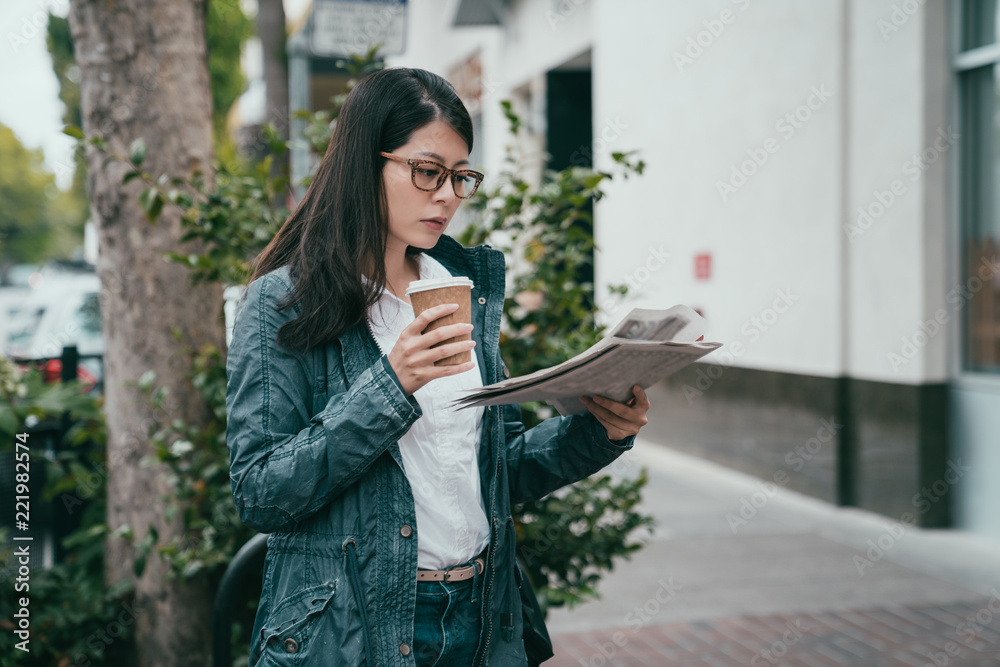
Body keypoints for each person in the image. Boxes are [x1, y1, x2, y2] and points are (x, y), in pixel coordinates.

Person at [225, 66, 651, 667]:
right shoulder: (283, 301)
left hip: (482, 618)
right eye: (427, 171)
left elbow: (497, 474)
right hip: (357, 631)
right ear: (364, 163)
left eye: (460, 176)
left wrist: (599, 429)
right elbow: (261, 492)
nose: (447, 195)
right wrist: (390, 388)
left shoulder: (458, 290)